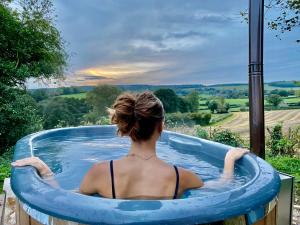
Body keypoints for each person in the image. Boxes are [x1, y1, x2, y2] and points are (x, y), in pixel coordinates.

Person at [12, 91, 249, 199]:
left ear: (126, 128)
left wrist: (44, 169)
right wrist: (229, 159)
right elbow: (222, 187)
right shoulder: (181, 177)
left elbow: (61, 196)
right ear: (161, 128)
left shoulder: (100, 172)